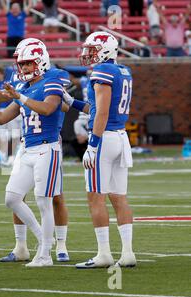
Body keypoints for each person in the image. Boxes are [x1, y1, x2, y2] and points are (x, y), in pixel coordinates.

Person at [0, 38, 71, 263]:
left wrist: (20, 97)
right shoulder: (24, 87)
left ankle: (46, 253)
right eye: (21, 65)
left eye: (28, 64)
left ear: (40, 62)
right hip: (26, 148)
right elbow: (2, 115)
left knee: (45, 200)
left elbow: (49, 108)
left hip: (47, 148)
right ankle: (43, 240)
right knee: (12, 198)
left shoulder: (53, 79)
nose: (23, 69)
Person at [62, 31, 136, 268]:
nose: (87, 54)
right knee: (119, 197)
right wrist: (71, 101)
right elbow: (97, 108)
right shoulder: (123, 71)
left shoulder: (103, 71)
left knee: (96, 197)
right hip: (120, 137)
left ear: (105, 50)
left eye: (92, 50)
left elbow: (101, 112)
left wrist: (93, 144)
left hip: (104, 138)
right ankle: (127, 253)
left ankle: (104, 254)